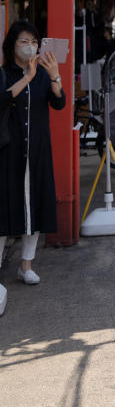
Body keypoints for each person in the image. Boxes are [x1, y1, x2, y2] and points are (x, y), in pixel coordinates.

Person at [0, 21, 66, 315]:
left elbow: (59, 104)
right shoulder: (5, 73)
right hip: (9, 147)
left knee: (35, 204)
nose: (31, 47)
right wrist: (27, 77)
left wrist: (55, 77)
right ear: (12, 46)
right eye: (24, 41)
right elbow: (2, 100)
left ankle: (26, 266)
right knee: (5, 205)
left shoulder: (43, 73)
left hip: (38, 145)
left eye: (34, 41)